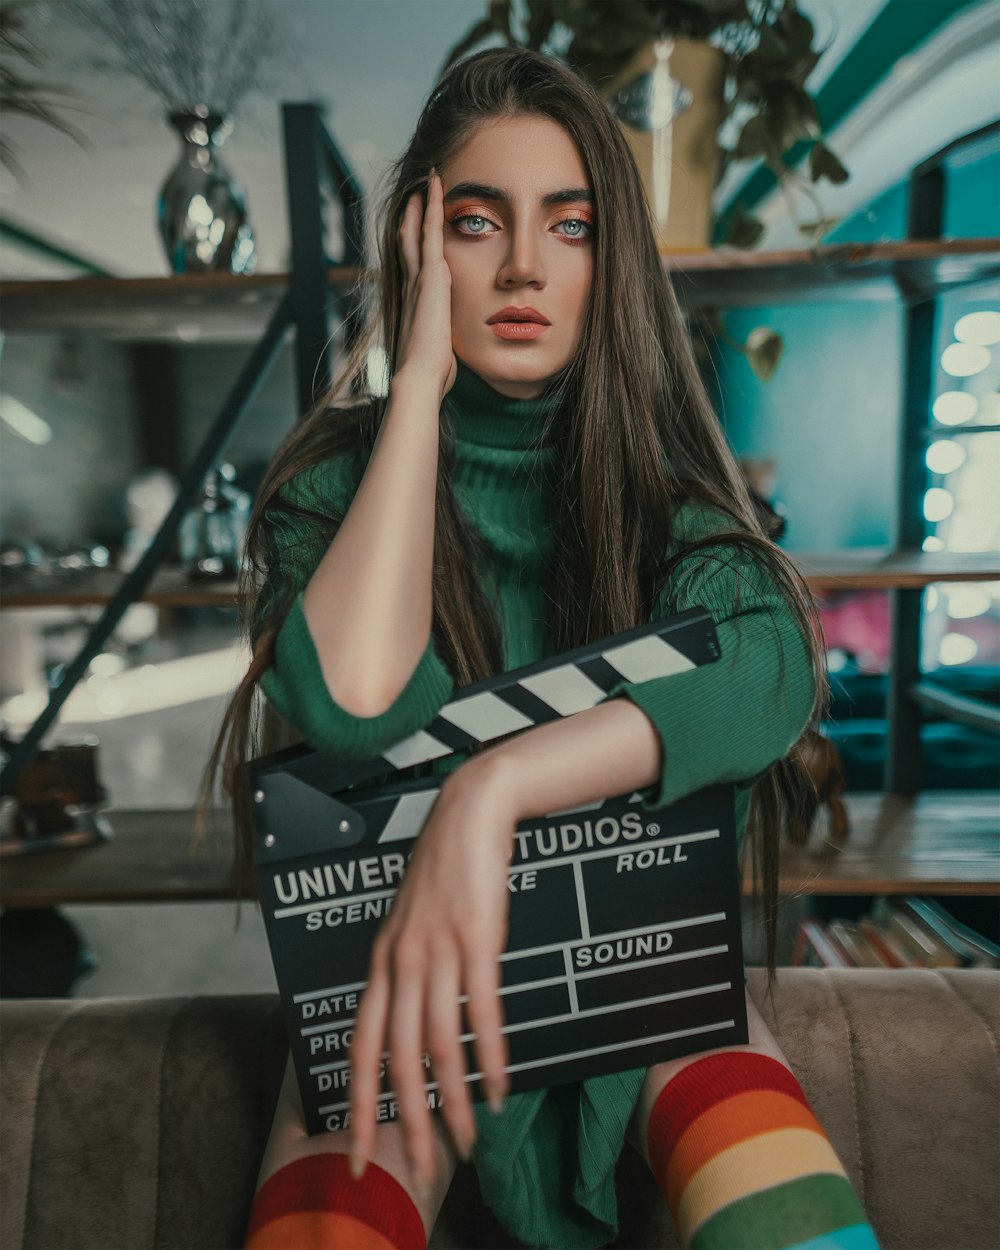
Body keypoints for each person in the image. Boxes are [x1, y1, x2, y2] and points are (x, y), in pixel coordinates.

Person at [209, 46, 880, 1250]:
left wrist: (495, 782)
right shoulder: (328, 493)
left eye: (568, 227)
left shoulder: (660, 494)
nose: (521, 264)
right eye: (476, 222)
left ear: (608, 259)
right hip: (405, 1000)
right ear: (420, 244)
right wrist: (411, 385)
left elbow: (773, 668)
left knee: (750, 1131)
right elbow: (358, 703)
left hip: (644, 979)